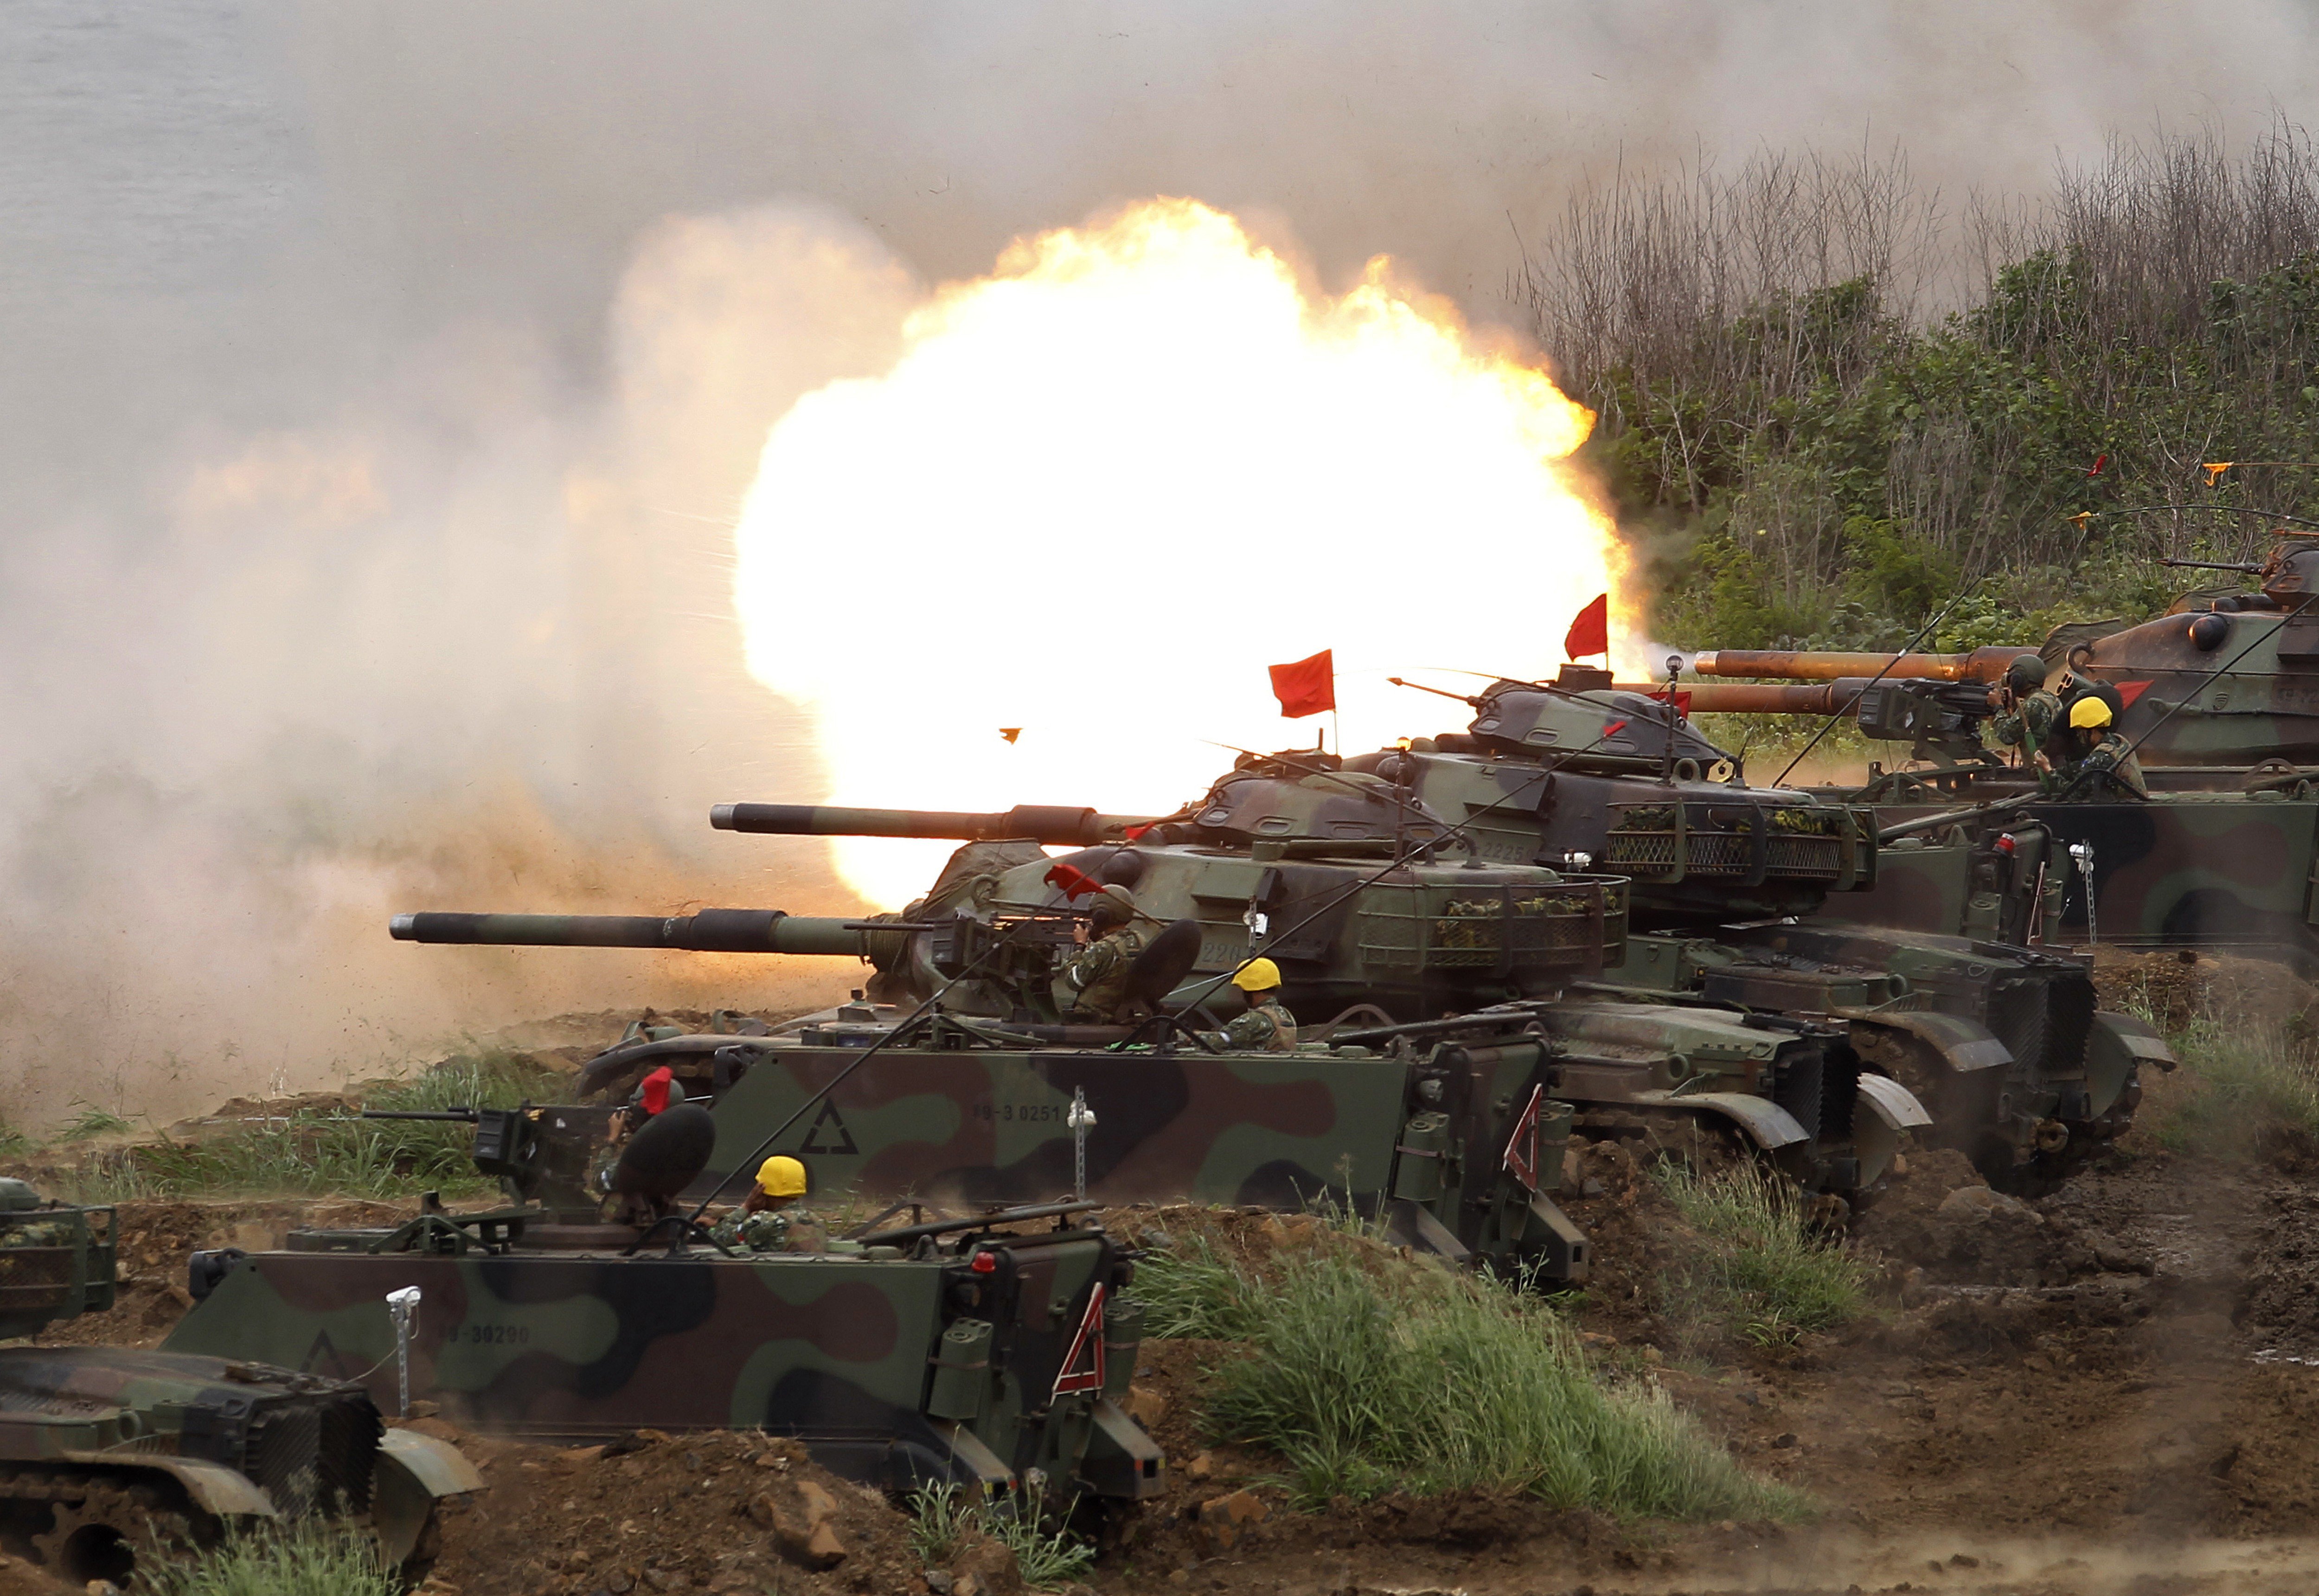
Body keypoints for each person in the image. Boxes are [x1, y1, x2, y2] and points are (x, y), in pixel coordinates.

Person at [707, 1155, 858, 1254]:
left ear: (763, 1189)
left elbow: (720, 1237)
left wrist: (747, 1206)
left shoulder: (768, 1223)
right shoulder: (817, 1222)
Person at [1061, 885, 1149, 1021]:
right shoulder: (1140, 940)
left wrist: (1080, 945)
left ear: (1101, 915)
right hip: (1123, 1016)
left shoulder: (1103, 949)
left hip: (1093, 1017)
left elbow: (1074, 982)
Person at [2050, 695, 2148, 799]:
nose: (2078, 735)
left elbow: (2072, 795)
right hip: (2135, 808)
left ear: (2091, 730)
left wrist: (2049, 772)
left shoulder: (2101, 757)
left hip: (2123, 813)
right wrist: (2059, 771)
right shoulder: (2118, 742)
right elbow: (2084, 765)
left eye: (2080, 731)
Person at [1197, 958, 1298, 1052]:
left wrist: (1191, 1037)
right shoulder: (1285, 1014)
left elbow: (1217, 1043)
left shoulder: (1253, 1020)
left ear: (1251, 991)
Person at [1988, 654, 2064, 766]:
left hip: (2041, 771)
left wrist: (1997, 707)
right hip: (2054, 766)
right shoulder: (2050, 698)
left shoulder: (2033, 705)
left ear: (2018, 680)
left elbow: (2007, 735)